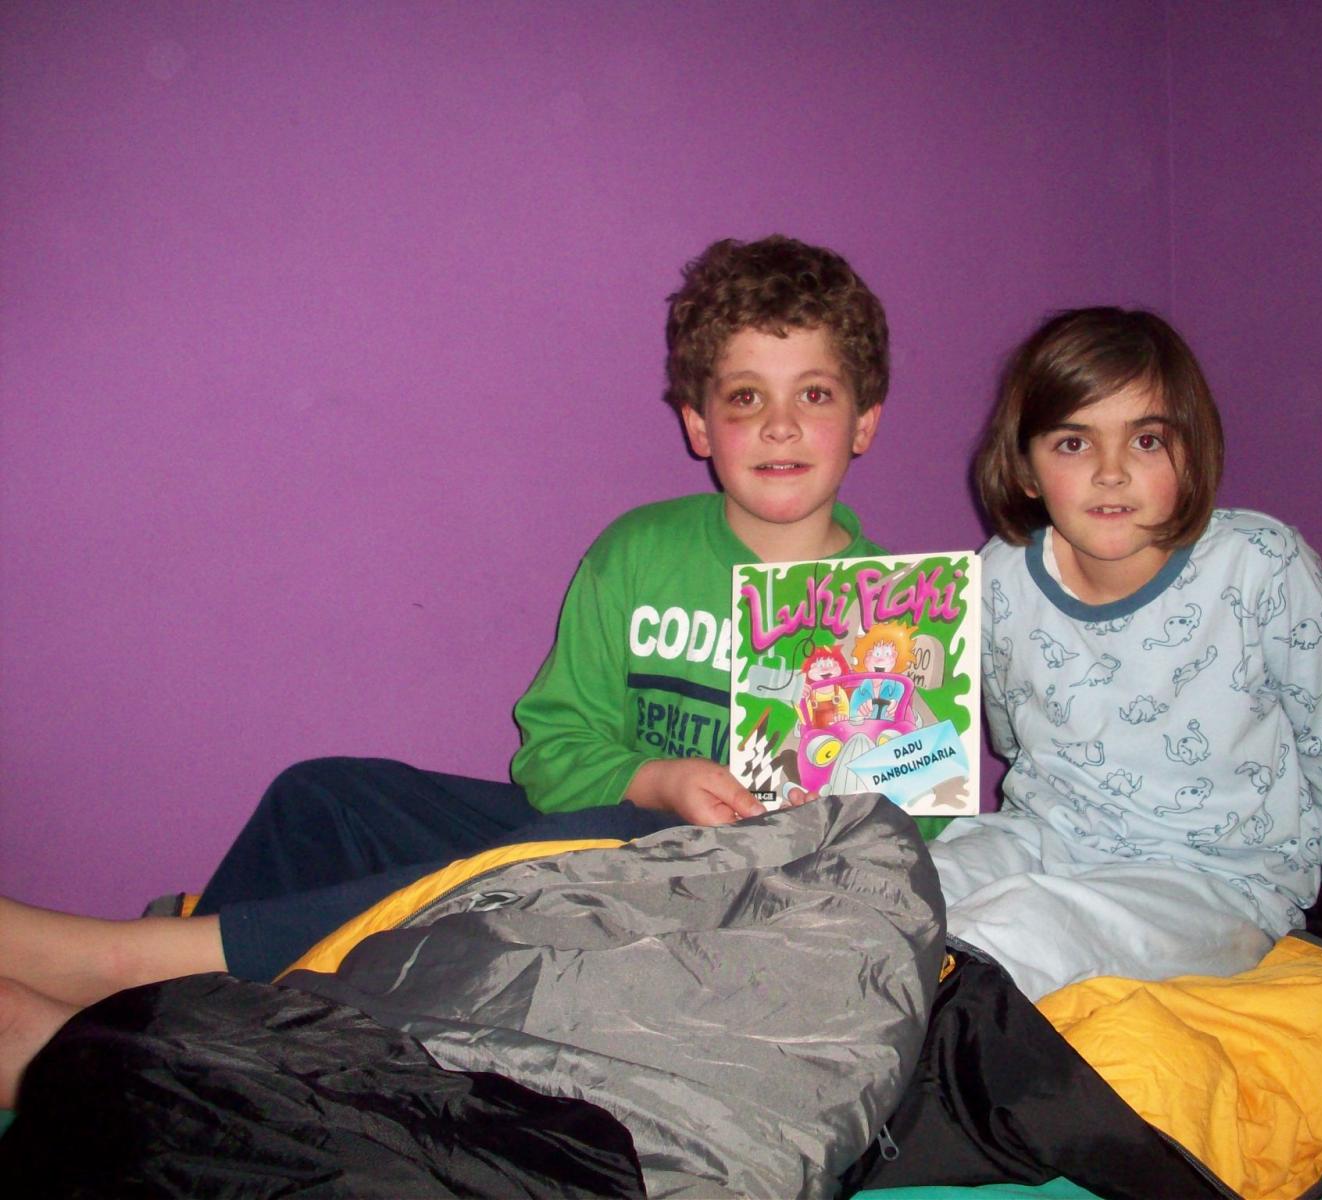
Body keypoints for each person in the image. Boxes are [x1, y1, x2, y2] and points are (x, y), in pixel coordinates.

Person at [0, 236, 928, 1093]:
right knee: (325, 795)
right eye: (744, 397)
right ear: (698, 423)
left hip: (711, 898)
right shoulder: (638, 553)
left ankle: (122, 970)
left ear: (864, 423)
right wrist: (658, 778)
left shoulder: (894, 610)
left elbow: (899, 834)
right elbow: (551, 755)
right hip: (593, 828)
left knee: (592, 845)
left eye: (814, 395)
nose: (779, 426)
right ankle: (183, 1022)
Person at [929, 306, 1322, 1001]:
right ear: (1025, 470)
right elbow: (1016, 738)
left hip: (1218, 876)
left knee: (1019, 928)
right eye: (1074, 443)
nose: (1111, 472)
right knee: (894, 889)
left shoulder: (1259, 565)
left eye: (1146, 441)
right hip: (1047, 833)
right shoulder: (1001, 573)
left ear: (1191, 454)